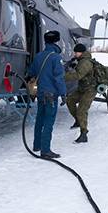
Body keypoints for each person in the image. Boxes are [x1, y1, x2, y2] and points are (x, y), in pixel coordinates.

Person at [27, 30, 67, 159]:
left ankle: (37, 145)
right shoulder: (56, 57)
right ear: (57, 41)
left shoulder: (38, 56)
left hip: (40, 92)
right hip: (51, 95)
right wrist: (63, 93)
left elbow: (31, 72)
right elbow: (59, 78)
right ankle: (45, 150)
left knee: (40, 119)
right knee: (49, 121)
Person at [65, 43, 95, 143]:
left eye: (76, 52)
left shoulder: (85, 62)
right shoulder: (80, 61)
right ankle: (78, 121)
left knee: (82, 110)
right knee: (70, 100)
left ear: (81, 52)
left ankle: (84, 134)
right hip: (82, 88)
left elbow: (78, 75)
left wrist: (63, 76)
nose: (75, 54)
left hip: (90, 89)